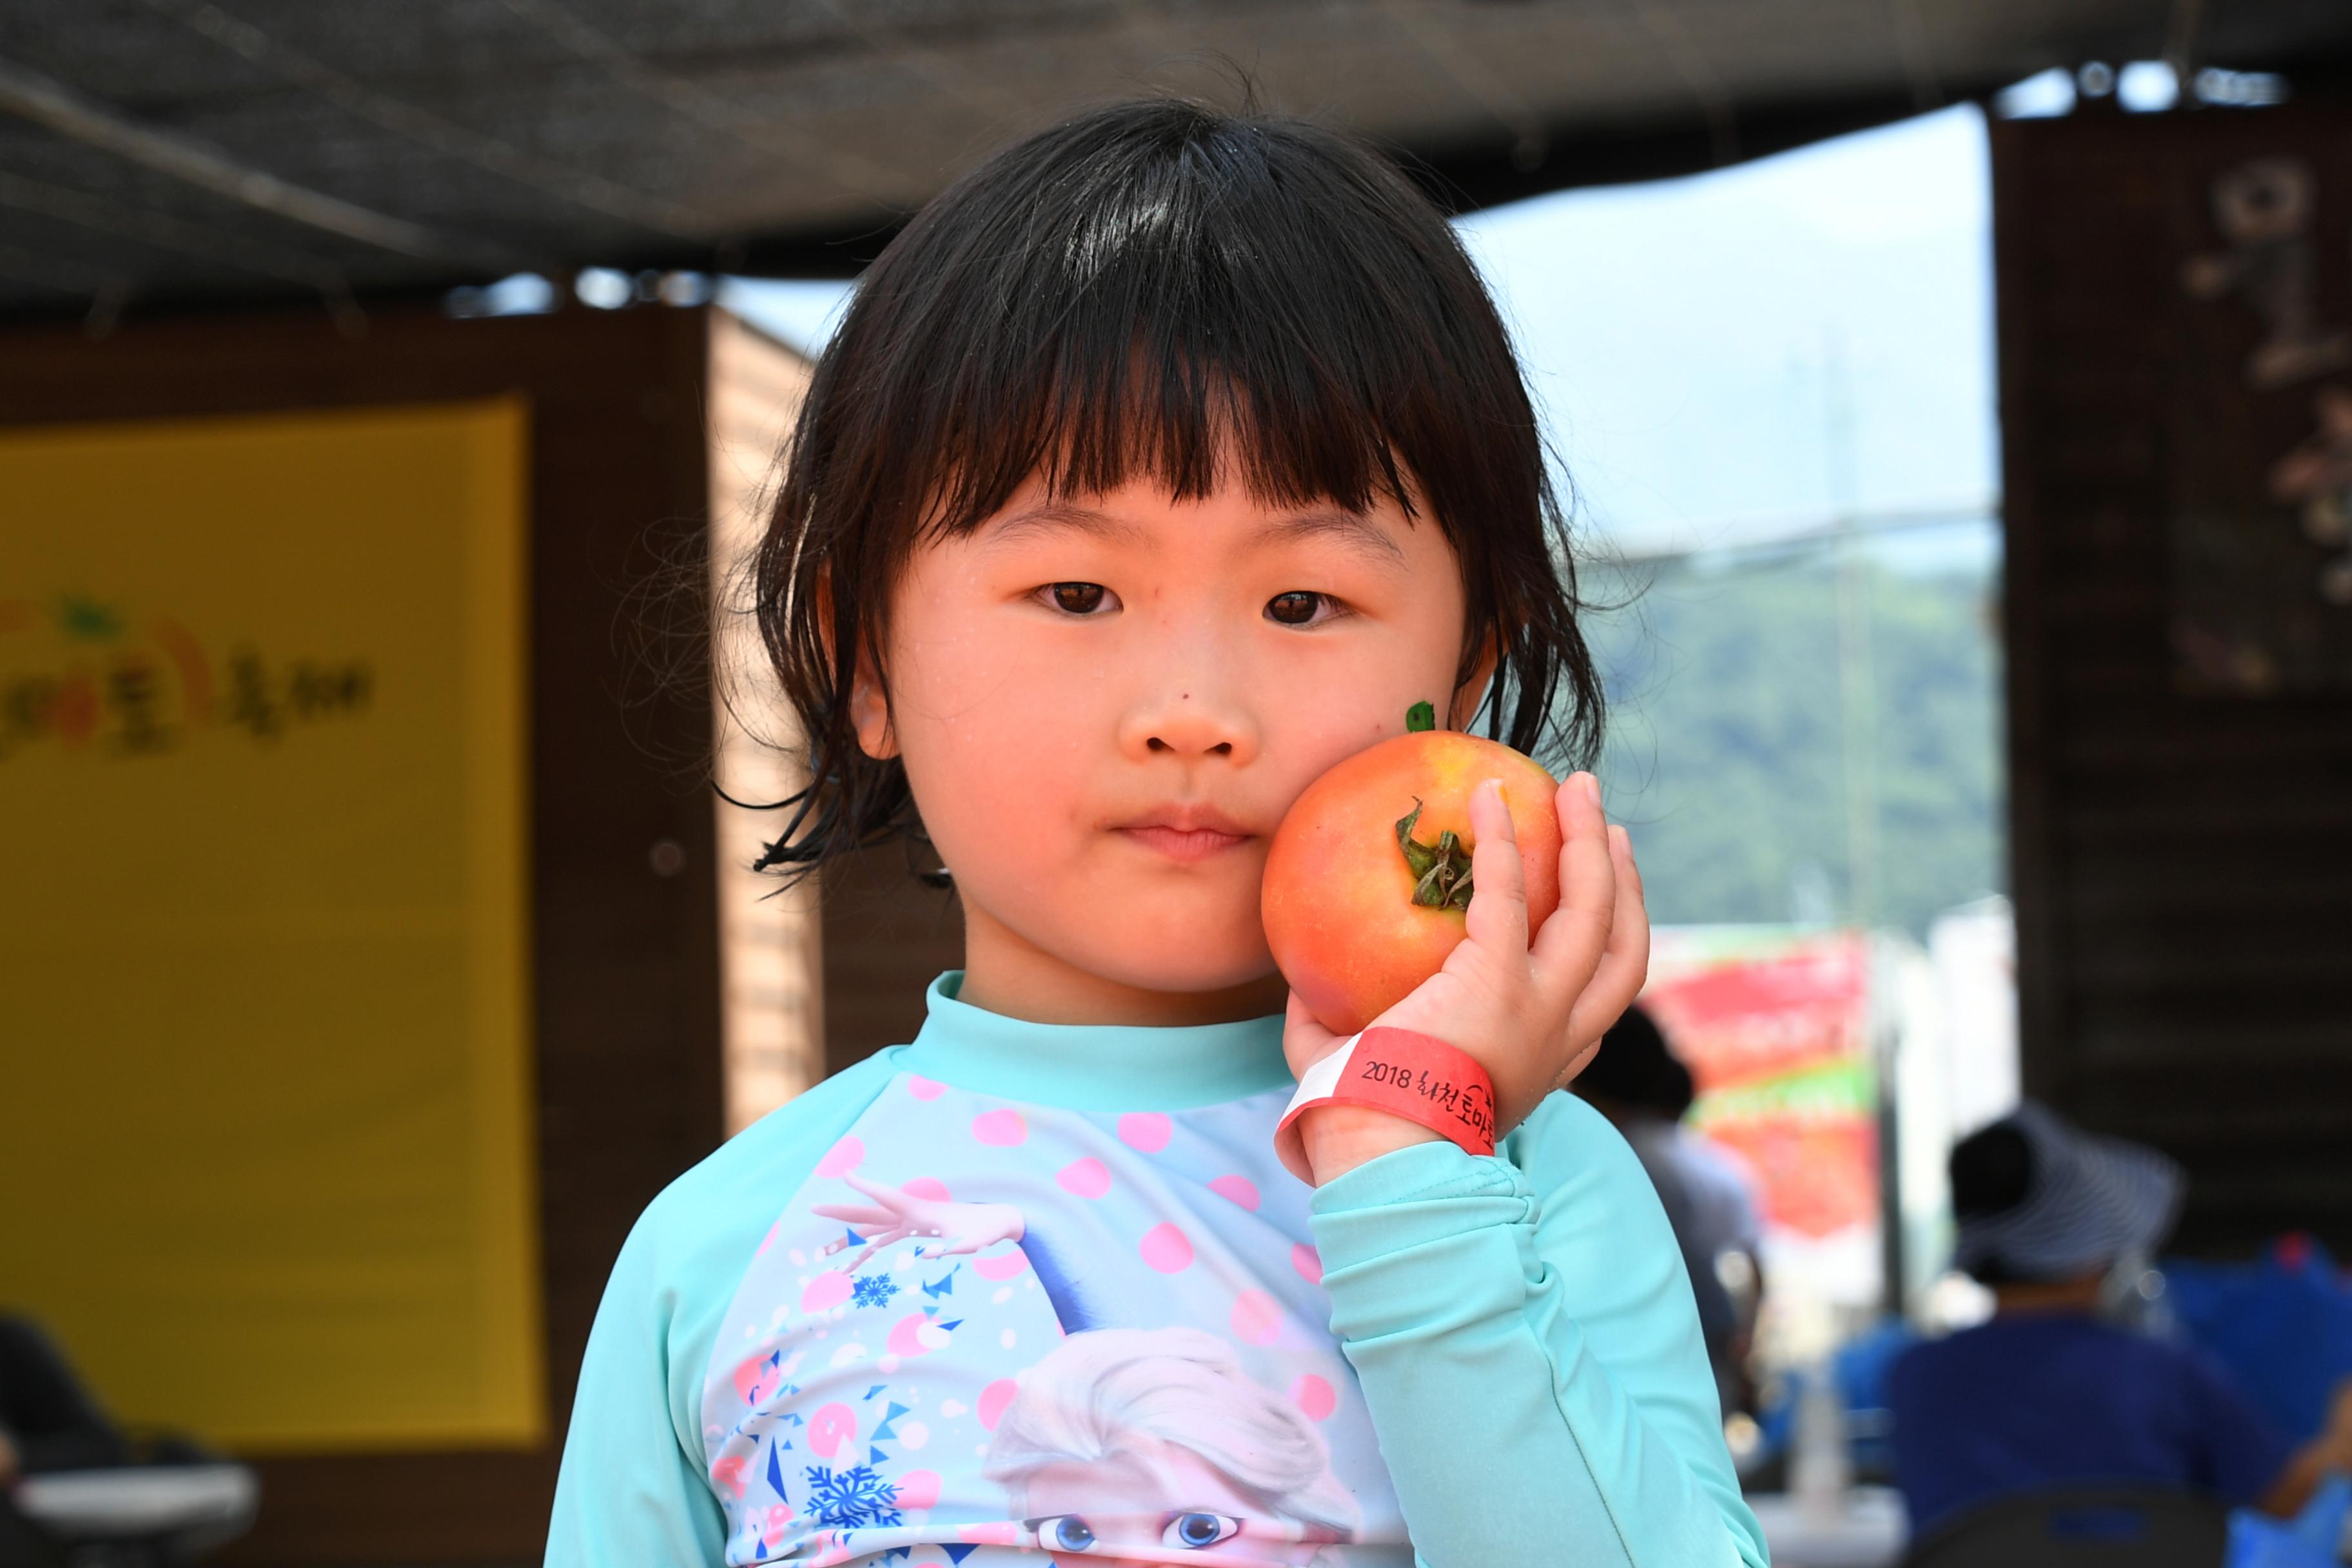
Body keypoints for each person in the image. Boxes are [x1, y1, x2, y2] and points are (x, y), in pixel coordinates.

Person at [547, 97, 1763, 1567]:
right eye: (1077, 595)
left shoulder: (1530, 1187)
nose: (1193, 710)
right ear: (865, 659)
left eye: (1303, 603)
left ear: (1469, 678)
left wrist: (1409, 1173)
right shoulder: (724, 1248)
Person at [1888, 1102, 2352, 1536]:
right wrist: (2339, 1443)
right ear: (2091, 1247)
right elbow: (2280, 1499)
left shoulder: (1916, 1380)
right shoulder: (2162, 1374)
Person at [1575, 1007, 1765, 1418]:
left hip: (1641, 1364)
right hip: (1701, 1347)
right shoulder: (1712, 1164)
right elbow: (1752, 1267)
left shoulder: (1611, 1156)